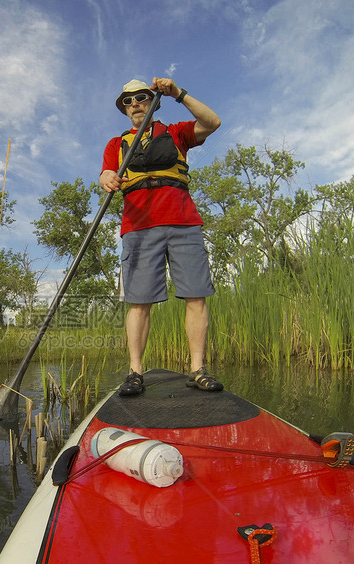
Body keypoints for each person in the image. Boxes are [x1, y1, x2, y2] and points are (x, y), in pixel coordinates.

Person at [99, 77, 223, 396]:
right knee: (139, 302)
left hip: (183, 221)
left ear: (151, 101)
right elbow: (105, 174)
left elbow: (212, 121)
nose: (134, 104)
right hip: (138, 226)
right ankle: (135, 372)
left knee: (196, 295)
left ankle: (197, 369)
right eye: (127, 101)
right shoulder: (116, 144)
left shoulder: (176, 132)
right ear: (124, 110)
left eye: (140, 98)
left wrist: (177, 93)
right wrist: (108, 177)